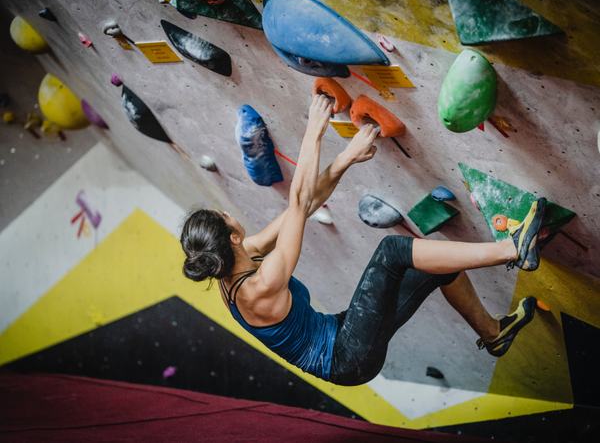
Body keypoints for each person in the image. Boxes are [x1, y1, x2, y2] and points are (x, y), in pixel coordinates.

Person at [180, 95, 545, 386]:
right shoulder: (259, 286)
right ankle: (512, 248)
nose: (229, 213)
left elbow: (306, 207)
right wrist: (314, 129)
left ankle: (494, 333)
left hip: (343, 333)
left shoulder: (243, 256)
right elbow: (298, 201)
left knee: (436, 266)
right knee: (393, 252)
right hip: (347, 358)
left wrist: (345, 160)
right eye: (223, 215)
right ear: (232, 235)